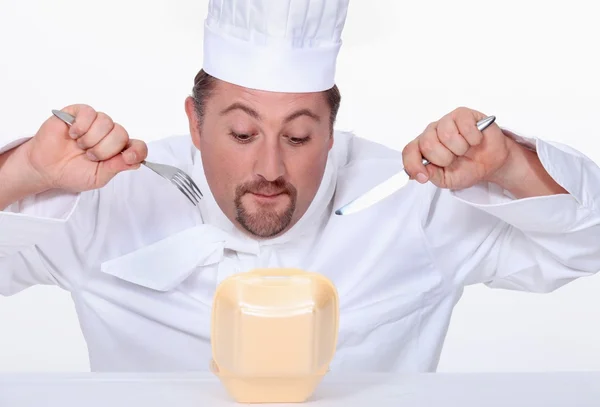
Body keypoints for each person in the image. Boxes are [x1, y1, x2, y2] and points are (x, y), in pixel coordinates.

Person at [1, 0, 599, 373]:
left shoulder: (414, 201)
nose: (269, 168)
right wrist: (27, 171)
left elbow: (587, 244)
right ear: (194, 122)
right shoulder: (108, 196)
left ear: (333, 133)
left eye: (299, 136)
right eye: (240, 133)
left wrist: (510, 166)